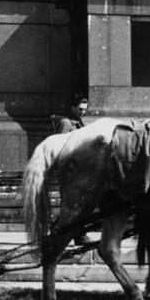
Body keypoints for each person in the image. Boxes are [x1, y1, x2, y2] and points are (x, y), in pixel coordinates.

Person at [53, 95, 92, 245]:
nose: (82, 112)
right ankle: (76, 235)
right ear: (73, 108)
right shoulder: (66, 123)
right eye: (80, 109)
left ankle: (65, 233)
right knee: (74, 204)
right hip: (69, 171)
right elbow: (61, 147)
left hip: (79, 171)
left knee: (79, 204)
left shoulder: (80, 123)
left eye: (85, 110)